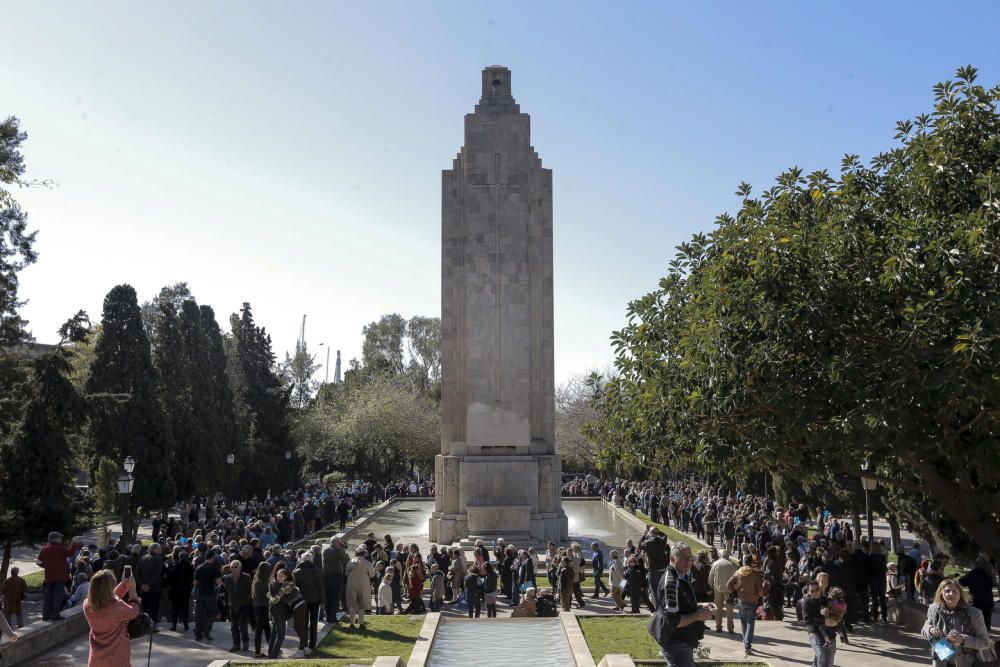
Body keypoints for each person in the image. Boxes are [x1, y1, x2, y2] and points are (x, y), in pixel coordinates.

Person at [652, 542, 714, 667]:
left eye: (690, 557)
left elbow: (682, 605)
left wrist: (701, 605)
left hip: (681, 640)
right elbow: (674, 621)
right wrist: (698, 615)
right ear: (672, 559)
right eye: (683, 558)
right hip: (676, 642)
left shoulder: (680, 575)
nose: (688, 561)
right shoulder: (671, 583)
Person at [921, 578, 990, 667]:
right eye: (947, 591)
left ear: (960, 594)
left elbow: (984, 642)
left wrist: (963, 639)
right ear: (941, 593)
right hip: (940, 663)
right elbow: (924, 629)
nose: (951, 594)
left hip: (967, 663)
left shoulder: (974, 613)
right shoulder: (933, 609)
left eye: (955, 591)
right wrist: (930, 629)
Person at [83, 569, 141, 667]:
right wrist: (132, 590)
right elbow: (134, 611)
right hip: (117, 658)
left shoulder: (87, 604)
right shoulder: (116, 607)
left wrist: (123, 585)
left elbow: (106, 599)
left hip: (96, 659)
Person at [727, 555, 765, 656]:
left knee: (744, 623)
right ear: (751, 562)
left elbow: (728, 585)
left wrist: (735, 592)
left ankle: (745, 643)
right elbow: (761, 592)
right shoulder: (755, 574)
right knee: (750, 623)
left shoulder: (738, 572)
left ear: (743, 562)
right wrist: (758, 596)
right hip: (752, 601)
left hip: (741, 601)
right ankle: (747, 644)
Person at [37, 531, 79, 621]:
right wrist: (74, 543)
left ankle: (45, 615)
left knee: (48, 597)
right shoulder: (59, 548)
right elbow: (71, 553)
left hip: (49, 577)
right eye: (59, 537)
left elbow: (38, 562)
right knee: (58, 596)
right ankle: (55, 615)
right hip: (60, 577)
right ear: (55, 539)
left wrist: (47, 566)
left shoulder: (45, 548)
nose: (61, 539)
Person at [268, 567, 308, 659]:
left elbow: (275, 600)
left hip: (299, 606)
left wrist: (269, 596)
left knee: (299, 628)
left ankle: (301, 650)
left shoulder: (285, 586)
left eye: (281, 576)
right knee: (299, 628)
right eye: (278, 576)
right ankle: (305, 648)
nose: (278, 578)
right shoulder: (287, 584)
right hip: (299, 605)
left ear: (285, 577)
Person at [800, 579, 835, 667]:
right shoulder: (807, 602)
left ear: (820, 589)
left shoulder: (826, 600)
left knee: (830, 659)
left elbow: (834, 613)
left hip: (828, 632)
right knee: (821, 654)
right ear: (809, 591)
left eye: (817, 590)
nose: (815, 592)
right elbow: (807, 620)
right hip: (814, 631)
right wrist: (823, 621)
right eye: (812, 591)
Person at [292, 552, 323, 649]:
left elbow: (294, 588)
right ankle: (312, 644)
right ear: (311, 560)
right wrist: (322, 601)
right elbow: (320, 587)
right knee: (314, 622)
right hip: (315, 599)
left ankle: (304, 643)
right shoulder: (316, 570)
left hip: (301, 600)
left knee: (303, 623)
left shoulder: (296, 571)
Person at [959, 554, 996, 631]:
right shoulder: (988, 574)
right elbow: (992, 584)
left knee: (974, 619)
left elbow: (962, 582)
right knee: (986, 619)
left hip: (976, 600)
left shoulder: (973, 573)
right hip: (987, 600)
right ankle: (987, 632)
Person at [223, 559, 252, 653]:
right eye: (232, 567)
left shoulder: (247, 577)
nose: (234, 569)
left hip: (244, 604)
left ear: (240, 567)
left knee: (243, 625)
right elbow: (227, 591)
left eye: (236, 567)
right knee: (233, 626)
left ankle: (245, 642)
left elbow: (250, 591)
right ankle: (236, 645)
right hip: (232, 605)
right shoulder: (228, 578)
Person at [193, 550, 222, 641]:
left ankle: (198, 633)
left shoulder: (198, 568)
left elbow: (195, 583)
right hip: (210, 594)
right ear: (212, 558)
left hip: (200, 594)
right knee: (213, 612)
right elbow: (218, 582)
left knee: (199, 614)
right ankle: (206, 630)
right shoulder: (214, 568)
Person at [345, 546, 374, 629]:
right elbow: (372, 574)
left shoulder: (350, 561)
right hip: (363, 582)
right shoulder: (367, 562)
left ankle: (351, 623)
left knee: (352, 603)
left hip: (351, 582)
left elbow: (346, 573)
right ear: (364, 553)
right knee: (362, 603)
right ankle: (361, 623)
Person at [708, 550, 737, 634]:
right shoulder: (732, 564)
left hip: (717, 589)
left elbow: (710, 577)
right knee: (730, 610)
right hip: (729, 590)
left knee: (718, 609)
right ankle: (730, 628)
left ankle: (718, 626)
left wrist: (711, 586)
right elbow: (735, 578)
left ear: (720, 555)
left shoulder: (715, 564)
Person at [167, 550, 194, 632]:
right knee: (185, 608)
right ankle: (186, 625)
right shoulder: (190, 567)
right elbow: (191, 579)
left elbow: (169, 579)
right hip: (186, 591)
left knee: (175, 609)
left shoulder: (174, 566)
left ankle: (174, 626)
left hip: (175, 591)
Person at [251, 561, 273, 658]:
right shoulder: (262, 582)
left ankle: (272, 647)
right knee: (260, 630)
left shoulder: (257, 580)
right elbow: (269, 595)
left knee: (266, 628)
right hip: (261, 607)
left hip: (258, 606)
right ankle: (258, 651)